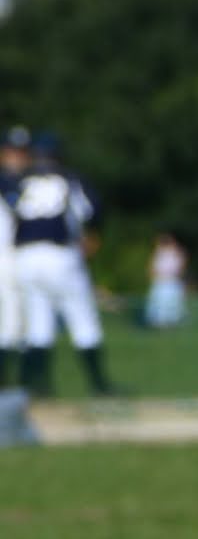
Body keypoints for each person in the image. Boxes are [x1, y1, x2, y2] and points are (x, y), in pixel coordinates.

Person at [9, 131, 113, 397]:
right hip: (60, 254)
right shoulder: (68, 179)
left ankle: (39, 386)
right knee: (81, 316)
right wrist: (92, 234)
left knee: (38, 322)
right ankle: (99, 383)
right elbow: (92, 209)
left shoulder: (19, 182)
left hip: (25, 257)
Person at [0, 125, 26, 387]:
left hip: (17, 255)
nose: (16, 157)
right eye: (11, 152)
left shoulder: (27, 180)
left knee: (17, 317)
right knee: (11, 315)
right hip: (5, 255)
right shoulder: (8, 183)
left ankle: (13, 380)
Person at [145, 232, 189, 328]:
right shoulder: (158, 254)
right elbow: (151, 270)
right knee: (159, 305)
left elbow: (180, 268)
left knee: (172, 305)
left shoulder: (176, 253)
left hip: (172, 283)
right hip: (160, 283)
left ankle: (172, 324)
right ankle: (160, 325)